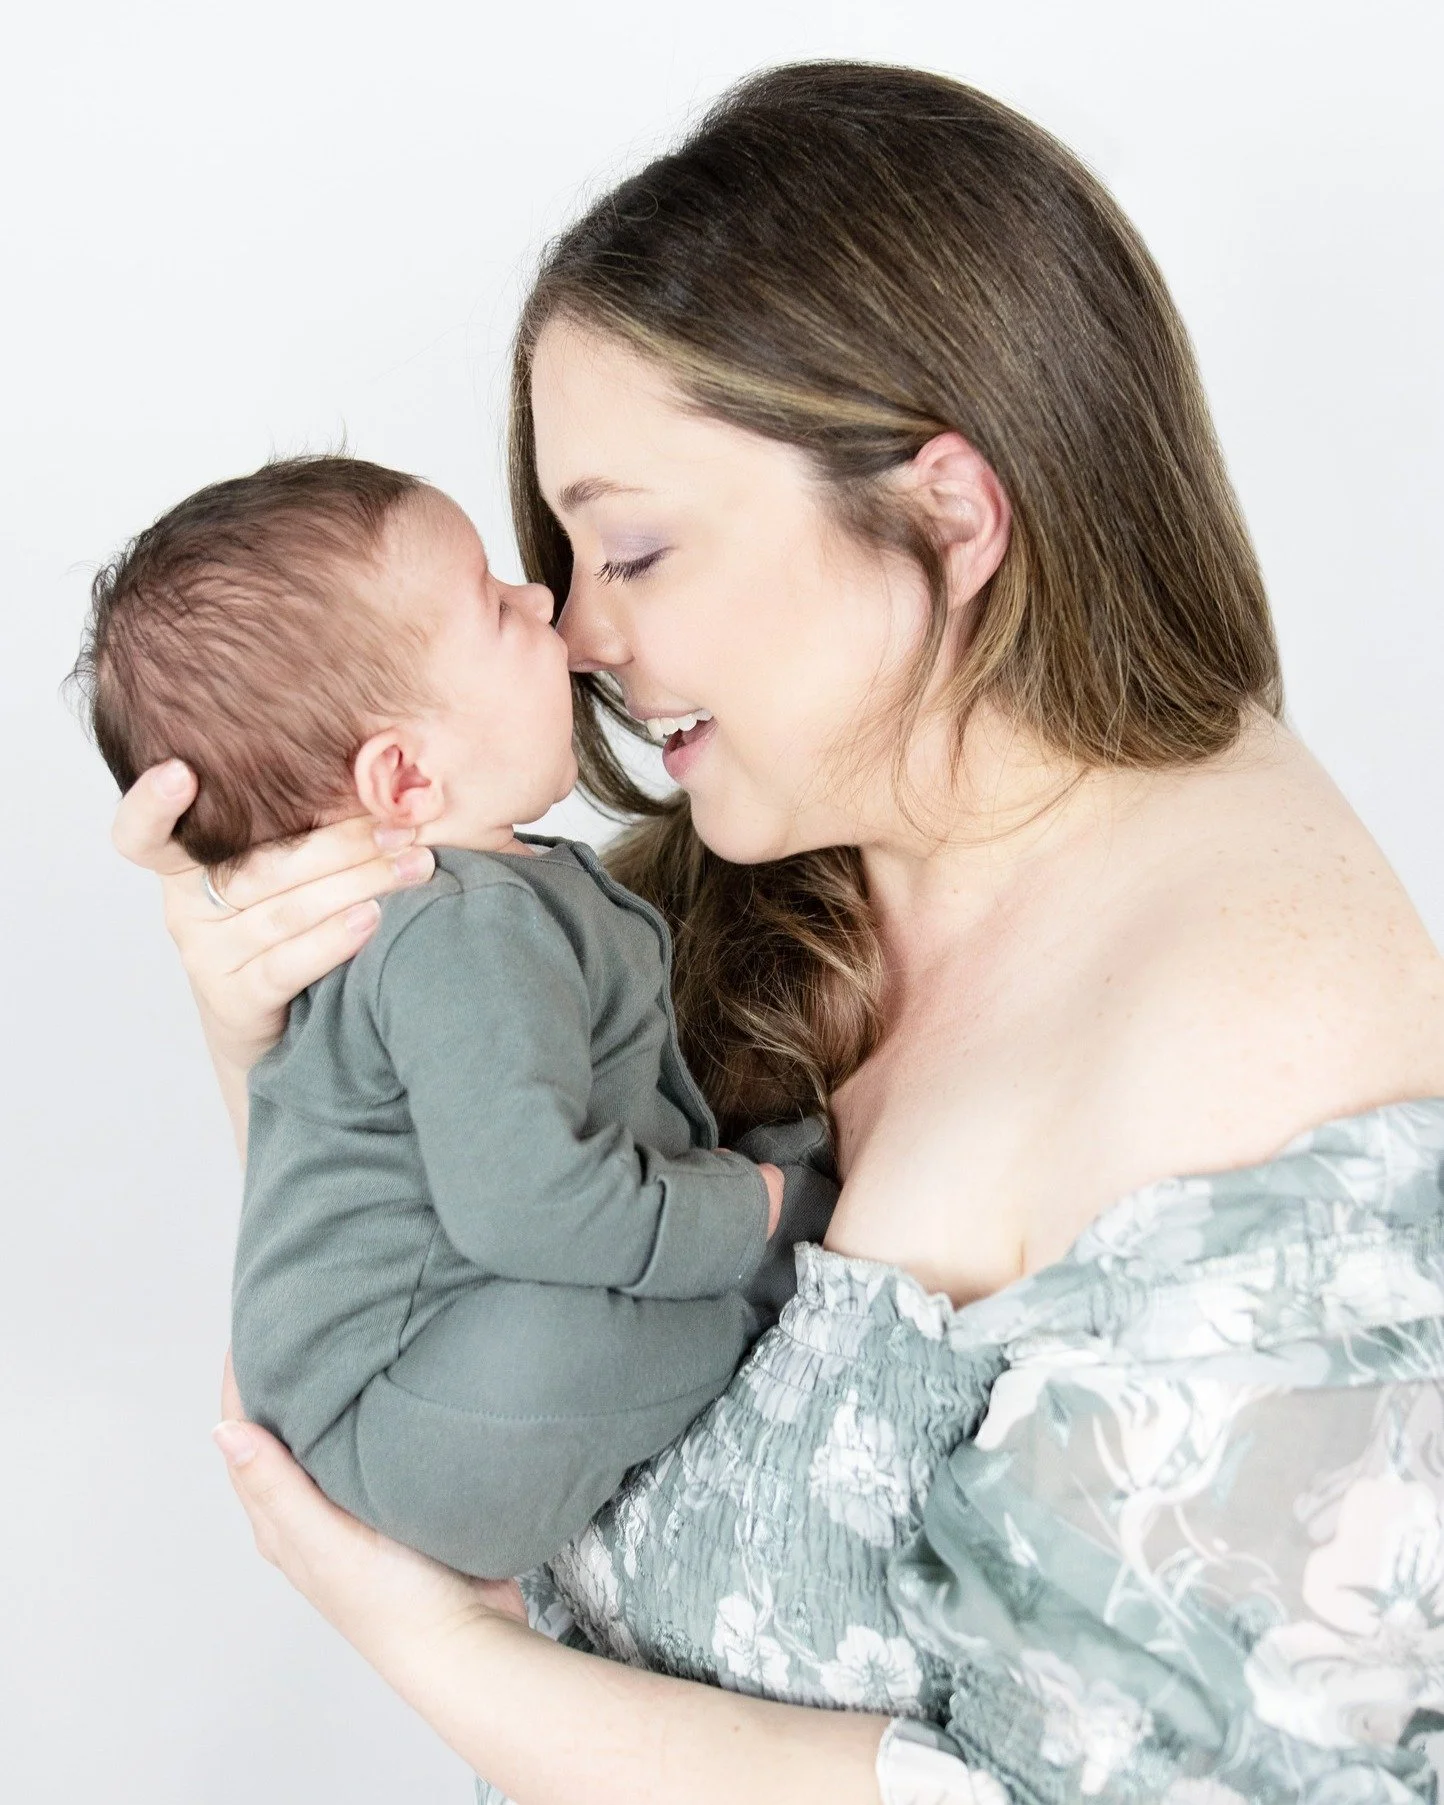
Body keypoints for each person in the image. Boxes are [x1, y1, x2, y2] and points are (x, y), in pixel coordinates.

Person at [111, 59, 1444, 1805]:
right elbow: (420, 1331)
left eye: (636, 551)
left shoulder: (1261, 1061)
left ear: (949, 516)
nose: (578, 636)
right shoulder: (752, 868)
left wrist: (433, 1652)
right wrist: (282, 1018)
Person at [74, 451, 843, 1578]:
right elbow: (530, 1209)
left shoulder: (459, 905)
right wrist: (757, 1210)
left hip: (389, 1389)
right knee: (709, 1293)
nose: (547, 605)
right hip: (423, 1414)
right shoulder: (457, 929)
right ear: (405, 780)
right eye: (495, 601)